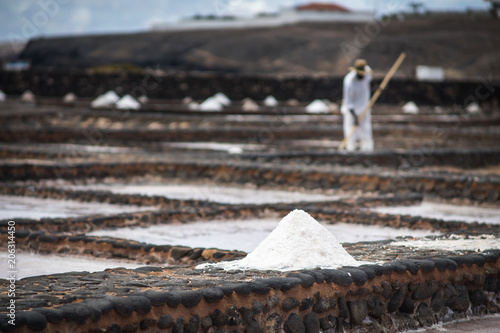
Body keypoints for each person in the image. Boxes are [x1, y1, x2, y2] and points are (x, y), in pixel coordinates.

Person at [341, 59, 374, 152]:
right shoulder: (349, 82)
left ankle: (367, 148)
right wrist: (355, 116)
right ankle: (351, 148)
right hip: (352, 108)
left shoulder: (367, 74)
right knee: (350, 128)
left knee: (366, 128)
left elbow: (371, 81)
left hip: (365, 106)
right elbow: (348, 101)